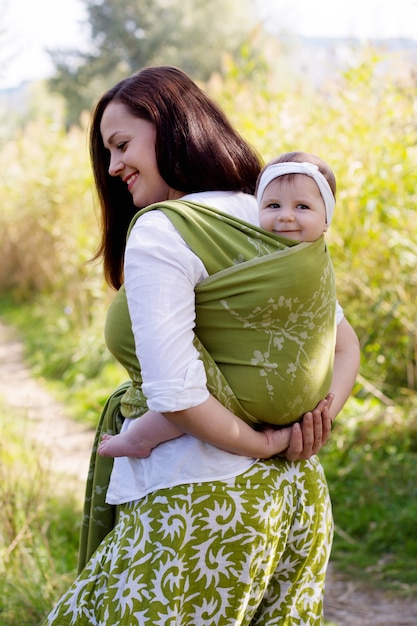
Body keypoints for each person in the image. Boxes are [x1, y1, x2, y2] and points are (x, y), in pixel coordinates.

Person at [42, 66, 360, 626]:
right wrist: (307, 424)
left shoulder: (164, 229)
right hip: (295, 499)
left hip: (199, 502)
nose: (113, 167)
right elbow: (341, 343)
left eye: (121, 145)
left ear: (170, 129)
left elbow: (178, 393)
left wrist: (262, 444)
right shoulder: (272, 215)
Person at [97, 150, 345, 460]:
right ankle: (138, 439)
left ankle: (138, 439)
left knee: (181, 398)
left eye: (302, 207)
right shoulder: (253, 247)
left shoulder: (316, 261)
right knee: (186, 395)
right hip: (228, 401)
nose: (285, 216)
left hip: (288, 436)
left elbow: (338, 341)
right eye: (273, 205)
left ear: (326, 220)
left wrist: (323, 417)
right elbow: (177, 390)